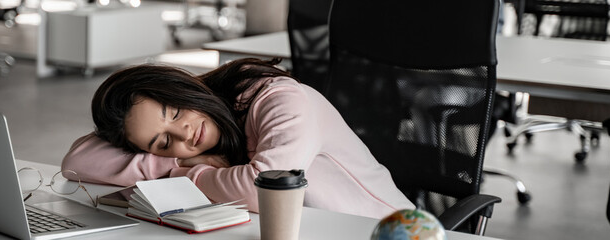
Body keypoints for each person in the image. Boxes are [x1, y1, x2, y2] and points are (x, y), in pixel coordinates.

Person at [61, 58, 414, 219]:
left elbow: (263, 190)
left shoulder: (281, 100)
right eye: (163, 142)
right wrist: (176, 158)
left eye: (175, 111)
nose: (184, 134)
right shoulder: (195, 138)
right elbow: (78, 162)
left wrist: (183, 173)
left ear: (182, 87)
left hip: (383, 230)